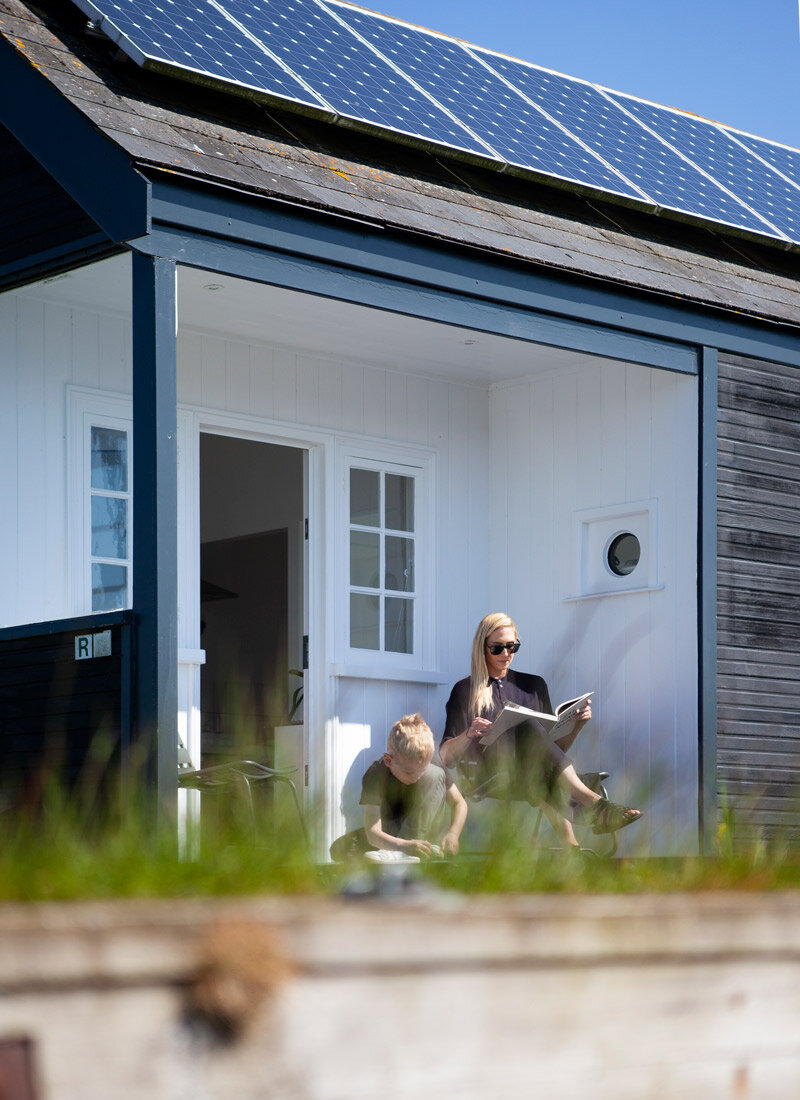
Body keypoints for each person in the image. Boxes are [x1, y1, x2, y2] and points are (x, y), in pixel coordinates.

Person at [439, 612, 641, 848]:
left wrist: (576, 727)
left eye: (512, 647)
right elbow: (446, 757)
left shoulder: (533, 686)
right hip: (488, 774)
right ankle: (594, 805)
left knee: (538, 765)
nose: (506, 654)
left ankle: (572, 847)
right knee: (528, 733)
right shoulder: (465, 690)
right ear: (482, 648)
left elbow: (554, 751)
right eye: (497, 648)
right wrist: (468, 734)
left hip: (531, 771)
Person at [330, 712, 468, 861]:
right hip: (393, 834)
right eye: (409, 772)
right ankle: (400, 852)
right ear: (388, 761)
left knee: (434, 774)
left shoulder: (431, 767)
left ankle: (419, 850)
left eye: (422, 770)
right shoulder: (376, 774)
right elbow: (373, 830)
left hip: (423, 832)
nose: (417, 777)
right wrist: (402, 845)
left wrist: (453, 834)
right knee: (339, 848)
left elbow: (459, 803)